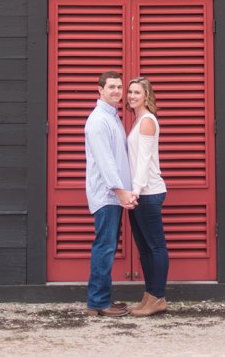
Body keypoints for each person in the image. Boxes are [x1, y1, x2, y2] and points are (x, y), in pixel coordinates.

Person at [84, 70, 137, 316]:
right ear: (100, 90)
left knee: (107, 247)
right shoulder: (98, 121)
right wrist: (120, 191)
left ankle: (102, 299)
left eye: (119, 87)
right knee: (104, 248)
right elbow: (105, 161)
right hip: (107, 196)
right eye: (111, 87)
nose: (116, 91)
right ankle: (98, 302)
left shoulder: (112, 117)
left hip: (115, 196)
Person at [125, 76, 169, 317]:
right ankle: (149, 294)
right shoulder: (138, 120)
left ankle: (158, 297)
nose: (131, 96)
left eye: (137, 92)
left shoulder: (147, 121)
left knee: (156, 246)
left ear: (146, 96)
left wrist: (136, 191)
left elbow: (143, 161)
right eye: (130, 92)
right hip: (140, 192)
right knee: (144, 248)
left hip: (148, 192)